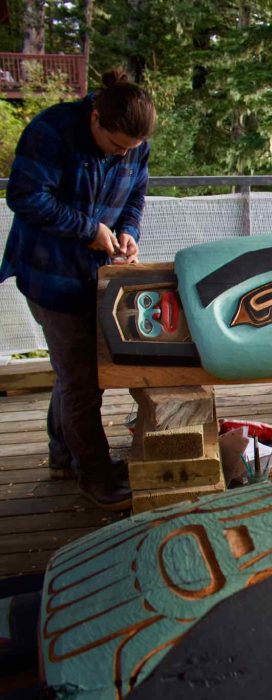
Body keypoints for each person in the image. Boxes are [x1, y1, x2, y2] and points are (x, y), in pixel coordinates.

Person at [1, 69, 156, 510]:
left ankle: (62, 453)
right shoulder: (51, 130)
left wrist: (127, 231)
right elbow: (26, 197)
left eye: (132, 149)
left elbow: (135, 199)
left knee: (76, 372)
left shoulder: (134, 146)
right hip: (48, 274)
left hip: (96, 276)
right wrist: (88, 229)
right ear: (95, 120)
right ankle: (95, 476)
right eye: (115, 146)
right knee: (83, 380)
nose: (123, 154)